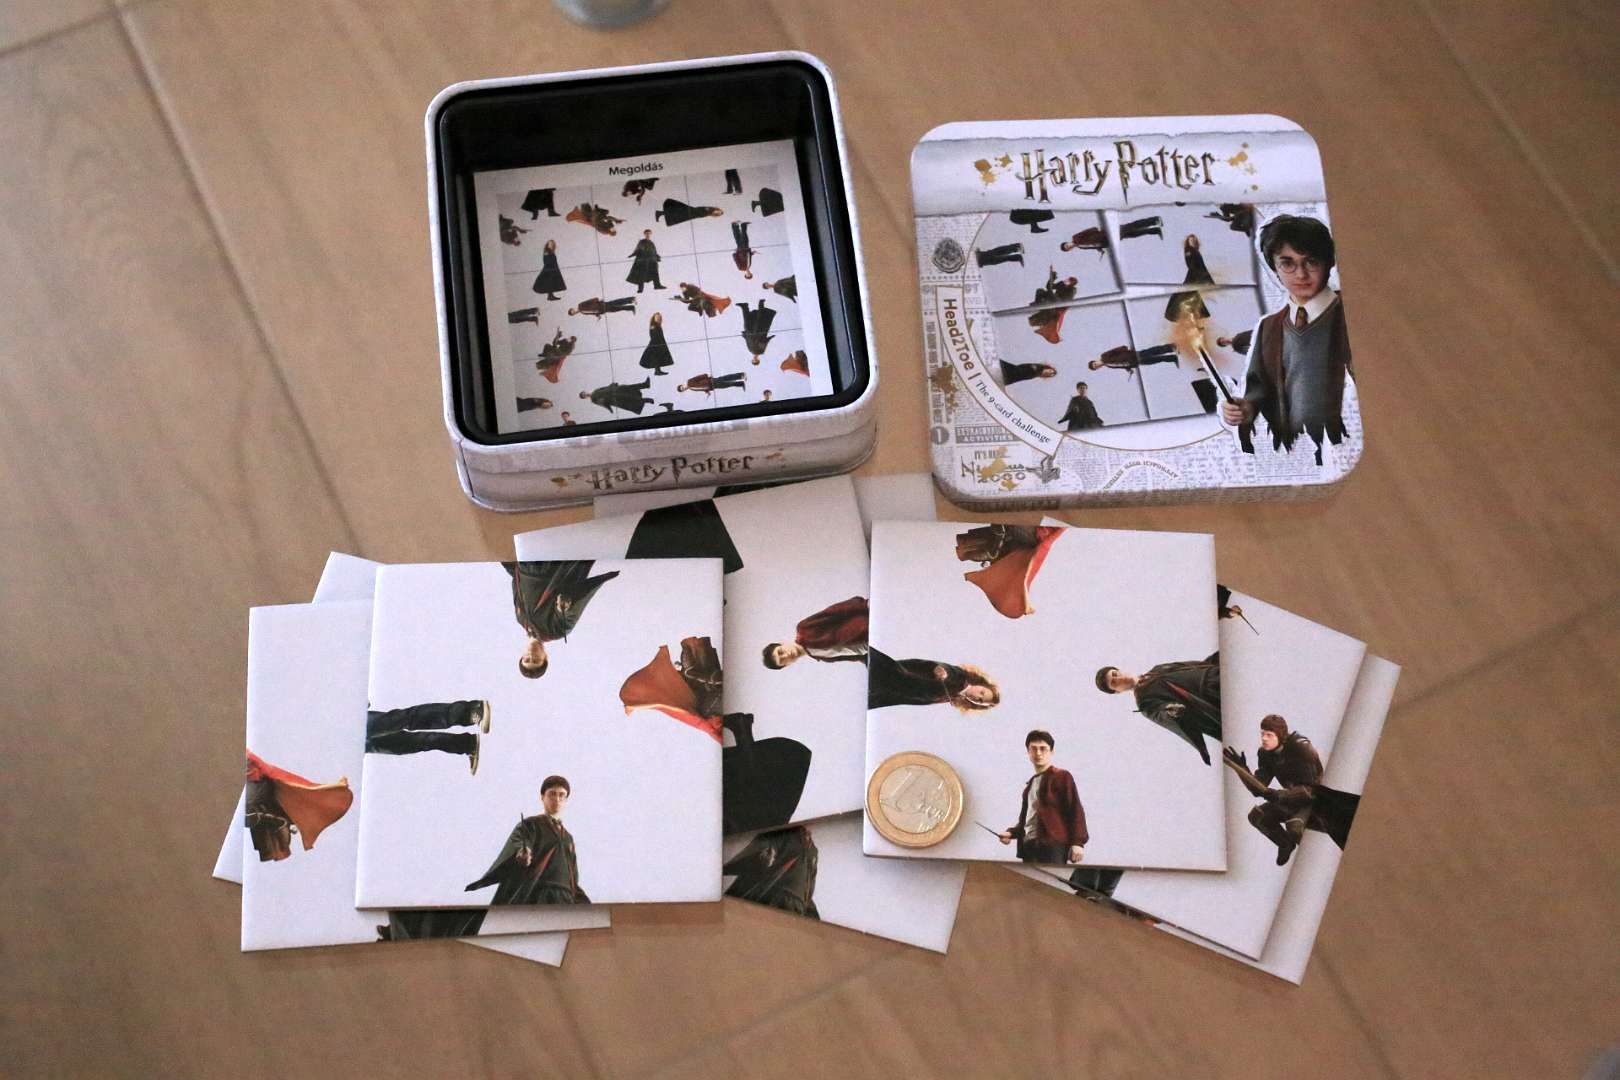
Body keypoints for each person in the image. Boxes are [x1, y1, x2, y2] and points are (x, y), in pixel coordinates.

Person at [1219, 215, 1352, 465]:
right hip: (1297, 454)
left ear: (1330, 261)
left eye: (1311, 261)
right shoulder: (1269, 327)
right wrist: (1245, 409)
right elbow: (1258, 389)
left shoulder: (1352, 315)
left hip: (1348, 448)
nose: (1301, 274)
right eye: (1287, 263)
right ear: (1274, 268)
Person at [1224, 716, 1361, 862]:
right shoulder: (1265, 754)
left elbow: (1311, 789)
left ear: (1281, 735)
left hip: (1318, 802)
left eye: (1269, 735)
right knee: (1258, 817)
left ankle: (1320, 862)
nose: (1264, 738)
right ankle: (1285, 844)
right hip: (1293, 800)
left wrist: (1279, 795)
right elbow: (1258, 789)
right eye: (1262, 734)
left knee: (1295, 827)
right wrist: (1241, 769)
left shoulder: (1301, 748)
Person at [463, 776, 589, 905]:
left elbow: (573, 877)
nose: (557, 799)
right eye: (552, 794)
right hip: (538, 894)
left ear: (566, 799)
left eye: (561, 795)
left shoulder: (568, 838)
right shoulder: (531, 824)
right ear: (542, 797)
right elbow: (520, 842)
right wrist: (523, 853)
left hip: (565, 899)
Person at [504, 560, 620, 679]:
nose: (531, 656)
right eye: (536, 660)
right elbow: (568, 616)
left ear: (522, 656)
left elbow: (516, 584)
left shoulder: (520, 619)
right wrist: (564, 606)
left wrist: (505, 560)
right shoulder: (556, 631)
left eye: (527, 660)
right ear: (545, 657)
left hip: (525, 565)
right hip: (553, 567)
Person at [1095, 655, 1221, 764]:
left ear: (1119, 670)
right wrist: (1170, 711)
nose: (1118, 679)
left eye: (1115, 674)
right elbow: (1161, 714)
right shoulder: (1144, 702)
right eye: (1114, 683)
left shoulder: (1157, 669)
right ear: (1117, 691)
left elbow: (1191, 666)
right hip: (1209, 697)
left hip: (1214, 673)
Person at [997, 730, 1087, 864]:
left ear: (1052, 751)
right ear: (1028, 752)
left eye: (1043, 748)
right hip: (1028, 846)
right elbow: (1028, 818)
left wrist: (1078, 843)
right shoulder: (1030, 784)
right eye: (1033, 749)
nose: (1038, 753)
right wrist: (1011, 833)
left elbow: (1075, 810)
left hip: (1052, 845)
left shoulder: (1062, 776)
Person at [244, 751, 352, 862]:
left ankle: (278, 821)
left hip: (259, 786)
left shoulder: (248, 756)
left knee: (246, 811)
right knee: (247, 816)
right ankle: (275, 821)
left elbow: (270, 771)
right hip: (254, 788)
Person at [618, 637, 727, 740]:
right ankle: (694, 674)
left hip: (709, 706)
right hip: (710, 708)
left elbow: (706, 726)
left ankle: (694, 673)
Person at [954, 524, 1065, 618]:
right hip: (1030, 537)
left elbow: (1047, 541)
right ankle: (995, 545)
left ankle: (995, 545)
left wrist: (1026, 606)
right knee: (1006, 530)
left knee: (1008, 524)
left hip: (1033, 535)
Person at [364, 700, 489, 774]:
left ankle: (471, 711)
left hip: (353, 724)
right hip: (355, 744)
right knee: (407, 743)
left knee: (405, 719)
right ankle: (467, 744)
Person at [723, 825, 819, 918]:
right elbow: (763, 847)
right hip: (778, 897)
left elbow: (810, 883)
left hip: (798, 906)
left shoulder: (813, 851)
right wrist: (764, 856)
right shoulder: (786, 833)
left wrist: (807, 907)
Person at [867, 648, 999, 711]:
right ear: (980, 684)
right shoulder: (961, 677)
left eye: (980, 701)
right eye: (982, 692)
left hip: (887, 691)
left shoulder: (952, 697)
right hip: (894, 676)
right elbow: (948, 670)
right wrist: (942, 671)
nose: (978, 697)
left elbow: (911, 699)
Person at [762, 596, 868, 669]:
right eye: (782, 661)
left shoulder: (803, 629)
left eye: (780, 652)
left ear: (782, 643)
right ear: (786, 665)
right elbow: (854, 653)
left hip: (869, 624)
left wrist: (865, 605)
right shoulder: (817, 656)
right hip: (872, 645)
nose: (786, 655)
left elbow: (834, 611)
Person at [1088, 343, 1179, 378]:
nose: (1097, 366)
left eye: (1095, 364)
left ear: (1095, 361)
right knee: (1154, 360)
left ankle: (1171, 347)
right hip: (1134, 363)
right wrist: (1128, 369)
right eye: (1096, 367)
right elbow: (1121, 365)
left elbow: (1114, 351)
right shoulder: (1108, 366)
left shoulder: (1104, 356)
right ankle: (1173, 358)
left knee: (1152, 351)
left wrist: (1125, 348)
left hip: (1132, 356)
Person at [580, 378, 655, 415]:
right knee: (630, 399)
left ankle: (645, 385)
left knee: (629, 388)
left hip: (615, 390)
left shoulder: (595, 390)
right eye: (584, 396)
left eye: (584, 393)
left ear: (585, 391)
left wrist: (611, 385)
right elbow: (602, 403)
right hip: (614, 398)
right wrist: (610, 409)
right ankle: (646, 400)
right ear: (585, 398)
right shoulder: (593, 399)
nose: (585, 394)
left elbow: (605, 388)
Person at [657, 198, 724, 226]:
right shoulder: (709, 209)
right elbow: (700, 209)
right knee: (677, 212)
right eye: (718, 211)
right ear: (717, 209)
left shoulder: (709, 213)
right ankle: (660, 213)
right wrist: (696, 212)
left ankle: (660, 213)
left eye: (718, 213)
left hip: (692, 215)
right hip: (692, 212)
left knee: (677, 215)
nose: (717, 212)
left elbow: (700, 213)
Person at [677, 371, 747, 394]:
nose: (684, 388)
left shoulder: (689, 382)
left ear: (682, 385)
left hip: (711, 381)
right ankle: (741, 383)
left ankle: (741, 375)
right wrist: (707, 391)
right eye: (683, 390)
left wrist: (706, 376)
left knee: (725, 378)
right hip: (712, 386)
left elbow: (698, 377)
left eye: (682, 387)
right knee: (726, 385)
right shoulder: (691, 389)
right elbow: (701, 388)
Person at [568, 296, 636, 318]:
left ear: (573, 309)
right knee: (617, 309)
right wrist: (598, 315)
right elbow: (592, 313)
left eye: (573, 311)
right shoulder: (582, 312)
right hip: (602, 310)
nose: (574, 312)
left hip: (601, 305)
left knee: (617, 302)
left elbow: (588, 301)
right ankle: (631, 307)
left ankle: (631, 299)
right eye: (573, 313)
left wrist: (597, 300)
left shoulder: (580, 305)